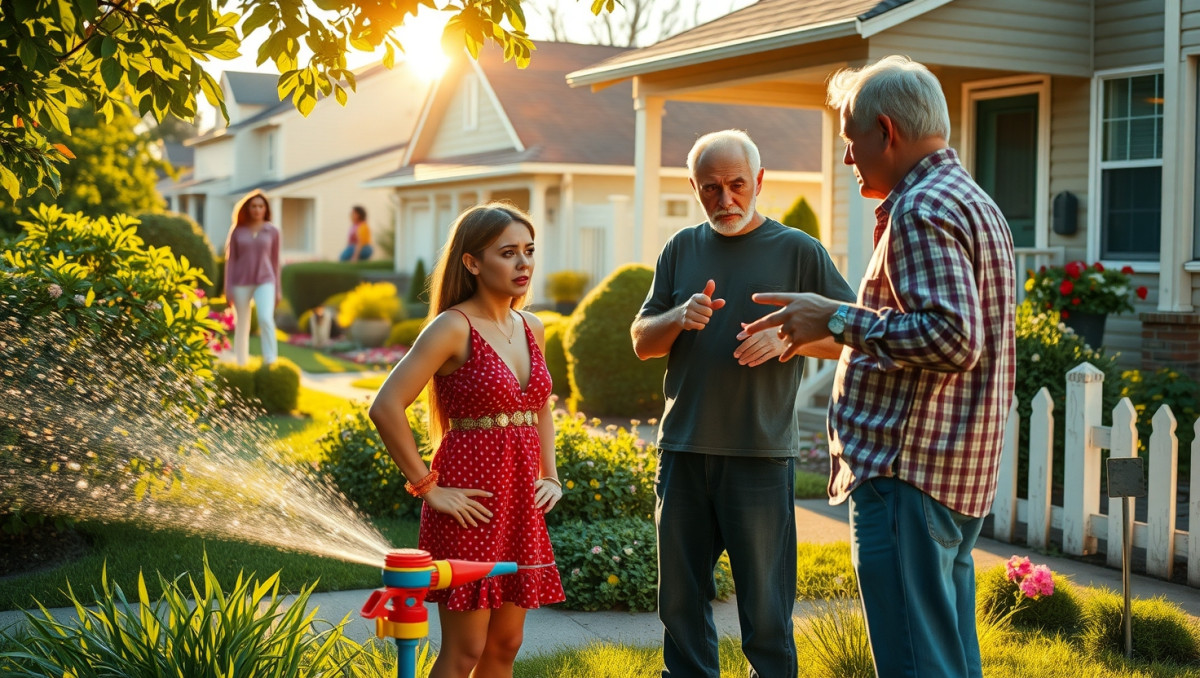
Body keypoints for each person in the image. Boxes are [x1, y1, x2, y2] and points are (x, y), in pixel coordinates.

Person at [741, 56, 1017, 678]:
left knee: (914, 663)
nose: (847, 159)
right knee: (947, 659)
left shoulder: (920, 209)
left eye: (849, 141)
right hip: (953, 473)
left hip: (909, 473)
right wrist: (817, 331)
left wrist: (837, 317)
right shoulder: (973, 201)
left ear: (885, 131)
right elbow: (930, 336)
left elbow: (952, 338)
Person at [631, 129, 855, 678]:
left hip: (758, 454)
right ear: (694, 187)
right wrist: (678, 317)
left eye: (736, 185)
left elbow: (855, 332)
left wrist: (791, 338)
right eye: (710, 188)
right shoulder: (681, 248)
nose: (724, 199)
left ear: (758, 181)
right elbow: (642, 338)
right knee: (680, 605)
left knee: (767, 612)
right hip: (682, 451)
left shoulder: (800, 251)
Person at [368, 202, 564, 678]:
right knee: (466, 650)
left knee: (506, 645)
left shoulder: (531, 326)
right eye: (507, 253)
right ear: (472, 263)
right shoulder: (453, 327)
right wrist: (427, 486)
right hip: (470, 500)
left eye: (529, 251)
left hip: (521, 501)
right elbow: (385, 406)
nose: (523, 264)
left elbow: (540, 405)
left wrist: (551, 476)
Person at [224, 189, 281, 367]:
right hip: (241, 282)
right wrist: (228, 288)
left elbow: (275, 261)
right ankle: (241, 362)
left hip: (266, 280)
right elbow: (231, 260)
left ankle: (270, 360)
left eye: (260, 206)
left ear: (266, 209)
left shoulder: (272, 231)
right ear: (248, 209)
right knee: (242, 323)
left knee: (265, 318)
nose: (257, 209)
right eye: (253, 206)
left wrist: (277, 289)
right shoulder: (237, 231)